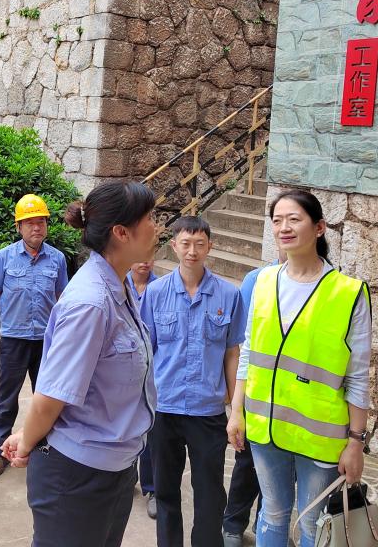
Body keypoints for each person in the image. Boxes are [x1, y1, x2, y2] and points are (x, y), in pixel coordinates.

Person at [2, 180, 158, 547]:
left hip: (115, 467)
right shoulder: (91, 302)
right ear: (121, 232)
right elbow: (50, 398)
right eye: (150, 218)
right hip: (78, 478)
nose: (157, 226)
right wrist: (27, 442)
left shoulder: (120, 286)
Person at [227, 190, 371, 547]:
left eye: (294, 219)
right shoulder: (262, 281)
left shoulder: (349, 293)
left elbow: (358, 376)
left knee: (312, 524)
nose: (284, 228)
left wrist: (356, 442)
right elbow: (248, 353)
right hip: (265, 428)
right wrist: (236, 411)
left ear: (319, 227)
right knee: (272, 516)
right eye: (277, 221)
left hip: (319, 436)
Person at [141, 216, 245, 547]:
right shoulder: (155, 293)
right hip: (165, 409)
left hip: (208, 411)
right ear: (174, 245)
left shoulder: (229, 295)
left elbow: (232, 354)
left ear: (210, 246)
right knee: (165, 491)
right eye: (185, 244)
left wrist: (236, 410)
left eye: (200, 244)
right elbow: (145, 353)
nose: (192, 251)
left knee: (210, 493)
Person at [0, 194, 69, 477]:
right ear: (18, 226)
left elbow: (61, 296)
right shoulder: (3, 258)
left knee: (46, 397)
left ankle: (43, 447)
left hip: (46, 340)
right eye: (30, 223)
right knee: (6, 396)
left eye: (41, 222)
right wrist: (9, 317)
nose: (36, 228)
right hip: (13, 339)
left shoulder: (57, 259)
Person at [221, 262, 270, 547]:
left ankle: (267, 523)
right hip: (256, 391)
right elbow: (243, 343)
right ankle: (233, 524)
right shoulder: (257, 280)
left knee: (283, 472)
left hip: (293, 398)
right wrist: (236, 405)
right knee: (248, 462)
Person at [128, 258, 159, 519]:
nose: (145, 262)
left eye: (150, 256)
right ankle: (126, 477)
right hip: (123, 368)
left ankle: (152, 488)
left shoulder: (160, 288)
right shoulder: (117, 285)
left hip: (153, 371)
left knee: (150, 430)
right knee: (125, 425)